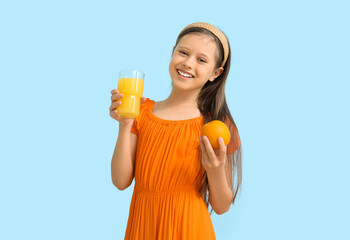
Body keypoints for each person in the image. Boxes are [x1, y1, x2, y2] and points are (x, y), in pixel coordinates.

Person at [109, 22, 242, 239]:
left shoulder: (217, 125)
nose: (188, 63)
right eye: (183, 52)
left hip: (190, 229)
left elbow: (221, 206)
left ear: (215, 73)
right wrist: (125, 125)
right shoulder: (141, 112)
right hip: (144, 227)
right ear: (172, 53)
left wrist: (215, 170)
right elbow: (120, 181)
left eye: (201, 60)